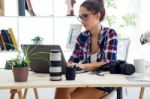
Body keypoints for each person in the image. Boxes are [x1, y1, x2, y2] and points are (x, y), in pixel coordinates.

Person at [55, 0, 118, 99]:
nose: (82, 20)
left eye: (85, 16)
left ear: (97, 16)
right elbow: (73, 59)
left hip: (102, 81)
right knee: (61, 87)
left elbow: (108, 62)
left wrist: (82, 66)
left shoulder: (110, 34)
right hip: (84, 78)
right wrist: (65, 64)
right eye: (80, 17)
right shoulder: (82, 36)